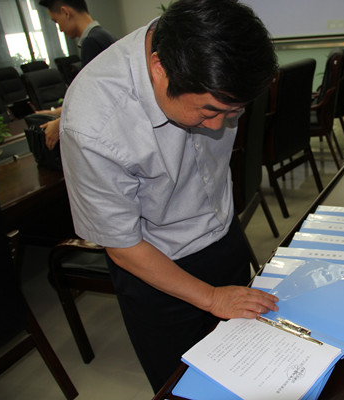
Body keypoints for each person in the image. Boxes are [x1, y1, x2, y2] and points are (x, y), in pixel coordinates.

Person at [59, 0, 279, 393]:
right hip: (156, 268)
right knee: (185, 388)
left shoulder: (206, 44)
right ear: (160, 69)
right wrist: (210, 297)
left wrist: (221, 290)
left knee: (246, 372)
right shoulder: (93, 122)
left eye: (233, 112)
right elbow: (122, 245)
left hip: (223, 234)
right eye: (209, 111)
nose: (219, 125)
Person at [37, 0, 117, 150]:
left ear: (66, 12)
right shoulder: (103, 35)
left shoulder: (91, 42)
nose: (60, 29)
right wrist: (55, 112)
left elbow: (95, 100)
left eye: (56, 21)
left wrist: (59, 124)